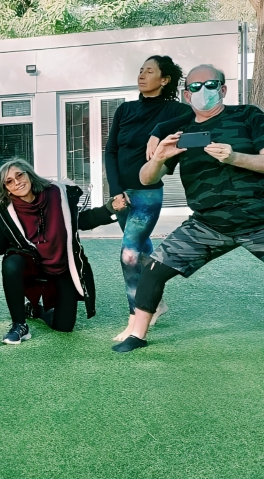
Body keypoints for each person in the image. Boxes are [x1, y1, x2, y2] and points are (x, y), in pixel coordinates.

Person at [115, 64, 264, 352]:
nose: (202, 91)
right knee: (154, 269)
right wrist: (159, 158)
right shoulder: (180, 133)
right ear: (185, 94)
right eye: (195, 87)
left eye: (210, 85)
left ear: (223, 89)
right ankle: (138, 335)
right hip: (208, 224)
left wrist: (234, 157)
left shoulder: (248, 116)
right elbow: (147, 178)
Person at [0, 159, 128, 344]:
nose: (17, 182)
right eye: (9, 181)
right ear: (6, 189)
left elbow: (82, 221)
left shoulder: (58, 194)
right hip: (31, 267)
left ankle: (35, 310)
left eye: (19, 175)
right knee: (12, 263)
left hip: (62, 266)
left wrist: (109, 209)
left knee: (64, 326)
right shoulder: (4, 213)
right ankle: (19, 324)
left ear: (29, 174)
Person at [104, 56, 191, 341]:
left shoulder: (175, 110)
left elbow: (195, 117)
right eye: (141, 70)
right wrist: (115, 190)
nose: (142, 75)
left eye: (149, 71)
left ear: (164, 80)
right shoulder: (125, 109)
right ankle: (157, 303)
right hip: (122, 195)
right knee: (140, 250)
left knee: (129, 254)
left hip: (149, 193)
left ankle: (135, 318)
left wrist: (158, 131)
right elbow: (111, 151)